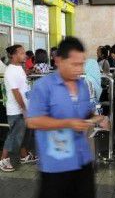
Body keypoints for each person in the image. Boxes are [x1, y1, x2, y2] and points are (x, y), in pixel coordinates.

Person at [26, 37, 109, 198]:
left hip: (83, 160)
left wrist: (98, 118)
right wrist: (68, 123)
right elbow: (33, 121)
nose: (79, 69)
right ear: (58, 60)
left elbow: (85, 113)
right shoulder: (43, 86)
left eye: (82, 64)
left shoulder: (82, 86)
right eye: (74, 64)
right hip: (56, 165)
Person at [0, 45, 37, 172]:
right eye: (21, 53)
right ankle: (3, 160)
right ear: (13, 55)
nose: (25, 55)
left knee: (26, 134)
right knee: (14, 136)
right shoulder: (10, 71)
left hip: (24, 108)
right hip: (17, 110)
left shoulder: (19, 68)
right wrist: (24, 110)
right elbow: (16, 93)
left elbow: (23, 87)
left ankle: (24, 155)